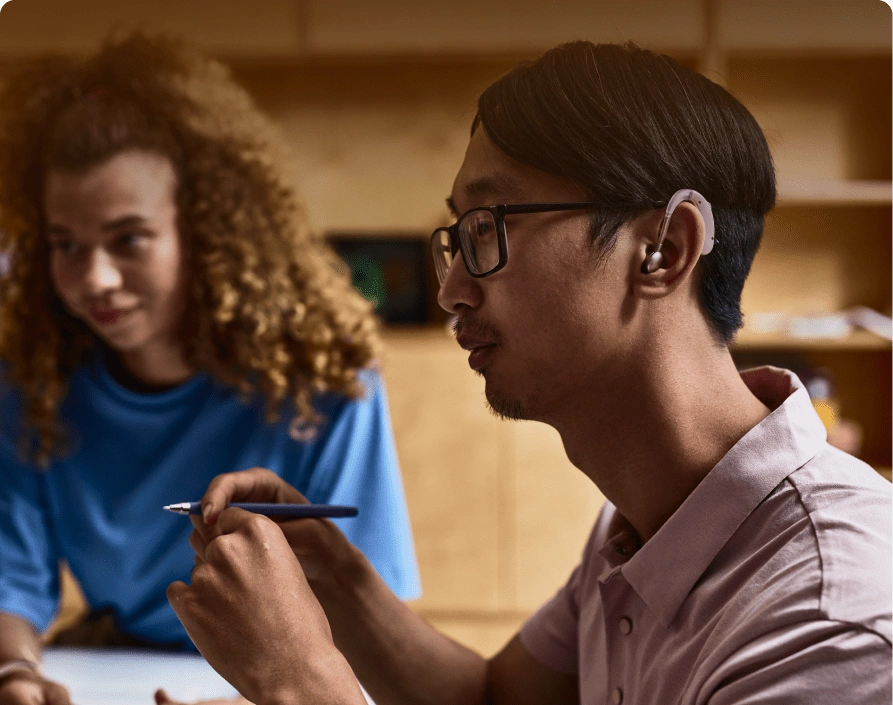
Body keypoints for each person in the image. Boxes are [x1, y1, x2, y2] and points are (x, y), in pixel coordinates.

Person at [169, 41, 892, 705]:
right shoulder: (644, 520)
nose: (451, 289)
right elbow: (492, 700)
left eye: (488, 228)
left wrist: (295, 680)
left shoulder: (830, 622)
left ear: (664, 250)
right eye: (457, 237)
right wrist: (331, 573)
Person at [0, 33, 420, 704]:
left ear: (203, 228)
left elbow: (370, 607)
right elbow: (10, 580)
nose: (95, 277)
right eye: (65, 244)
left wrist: (266, 690)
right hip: (115, 669)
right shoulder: (32, 384)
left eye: (128, 239)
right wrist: (13, 672)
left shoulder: (328, 379)